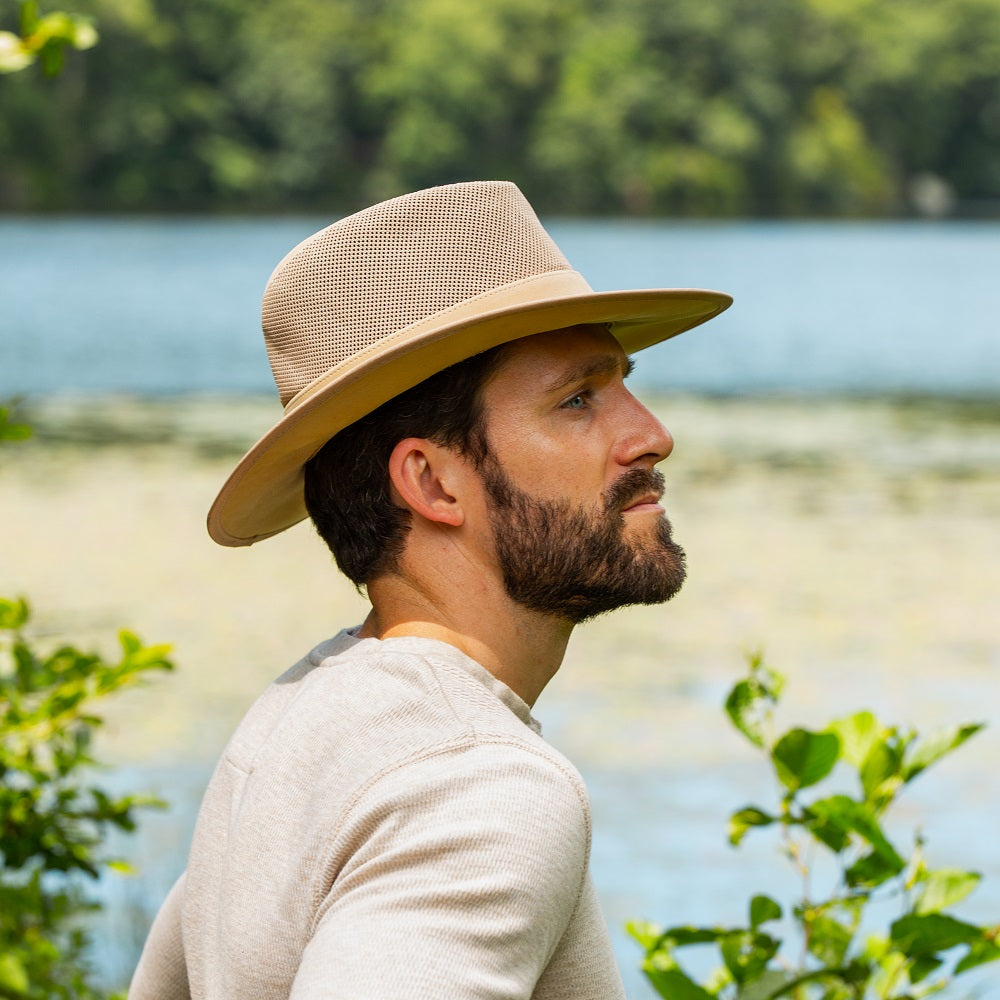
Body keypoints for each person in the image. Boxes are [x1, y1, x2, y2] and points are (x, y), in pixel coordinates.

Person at [130, 180, 731, 999]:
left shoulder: (285, 727)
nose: (652, 435)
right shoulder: (475, 786)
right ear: (432, 482)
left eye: (623, 384)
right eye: (577, 399)